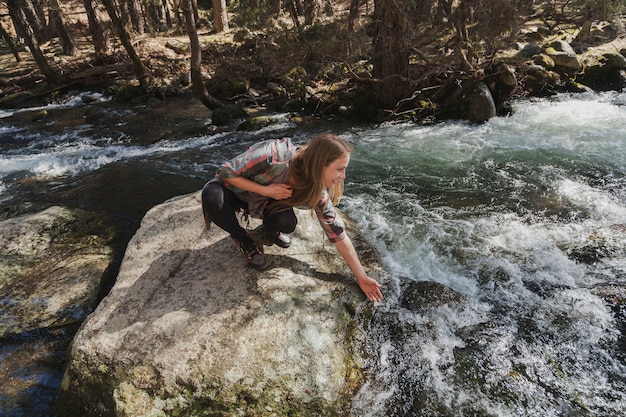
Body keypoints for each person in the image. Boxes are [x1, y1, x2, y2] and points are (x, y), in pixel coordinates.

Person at [201, 132, 383, 302]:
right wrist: (266, 190)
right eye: (340, 169)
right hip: (236, 193)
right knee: (212, 196)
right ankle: (243, 239)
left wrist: (361, 277)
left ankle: (270, 226)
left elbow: (337, 233)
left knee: (286, 223)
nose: (343, 175)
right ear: (320, 164)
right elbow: (224, 172)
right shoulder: (274, 154)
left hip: (266, 204)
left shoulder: (317, 191)